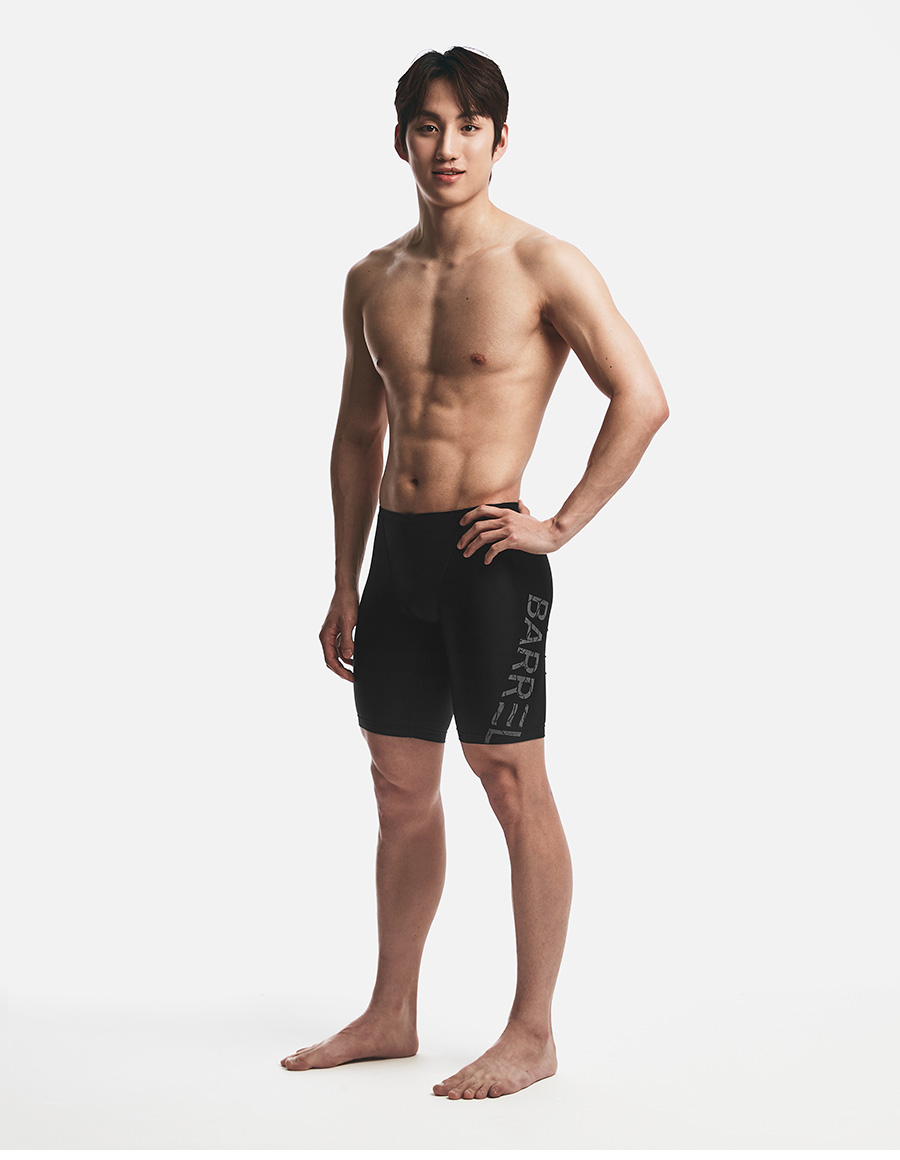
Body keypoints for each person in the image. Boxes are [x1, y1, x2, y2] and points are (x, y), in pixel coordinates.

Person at [281, 45, 669, 1100]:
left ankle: (532, 1032)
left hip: (488, 558)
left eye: (467, 125)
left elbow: (642, 397)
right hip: (396, 561)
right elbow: (356, 434)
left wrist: (561, 524)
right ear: (399, 139)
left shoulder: (545, 264)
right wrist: (345, 578)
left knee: (510, 781)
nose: (446, 146)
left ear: (501, 140)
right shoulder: (373, 278)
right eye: (427, 125)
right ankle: (391, 1011)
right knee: (399, 789)